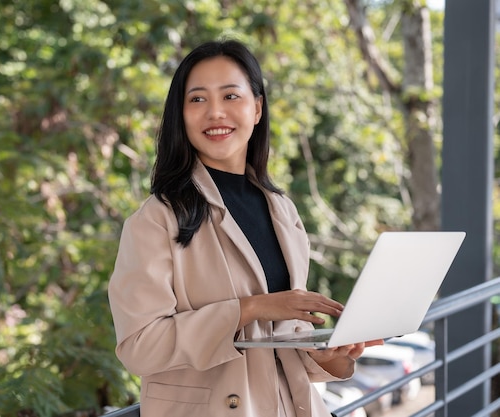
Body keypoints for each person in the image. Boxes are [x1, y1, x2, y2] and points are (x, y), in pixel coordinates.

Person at [108, 39, 382, 417]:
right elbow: (140, 347)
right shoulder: (157, 218)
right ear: (181, 115)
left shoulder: (282, 210)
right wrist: (251, 308)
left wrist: (334, 359)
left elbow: (283, 345)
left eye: (231, 96)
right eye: (198, 99)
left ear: (257, 108)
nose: (215, 112)